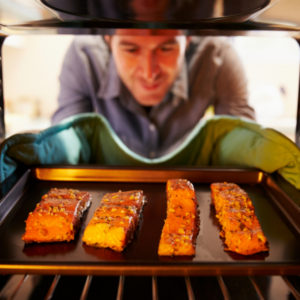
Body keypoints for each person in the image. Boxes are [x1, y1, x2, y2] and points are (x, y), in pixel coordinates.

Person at [52, 29, 255, 158]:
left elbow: (239, 142)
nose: (149, 73)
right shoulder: (83, 54)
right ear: (108, 39)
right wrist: (55, 147)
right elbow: (70, 137)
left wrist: (251, 148)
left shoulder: (218, 55)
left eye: (166, 48)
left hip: (191, 187)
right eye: (131, 50)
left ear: (188, 38)